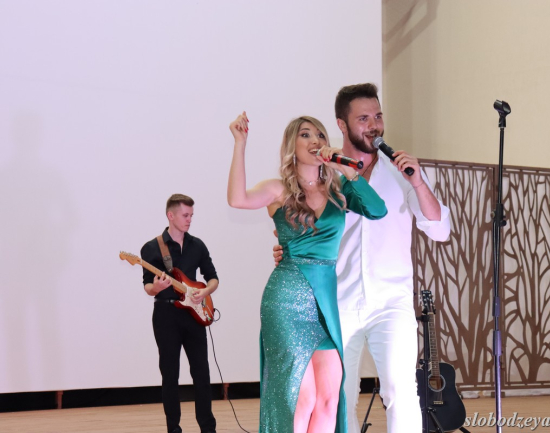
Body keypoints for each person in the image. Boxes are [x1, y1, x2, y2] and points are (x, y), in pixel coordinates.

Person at [274, 83, 451, 432]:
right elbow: (303, 231)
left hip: (392, 302)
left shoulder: (403, 172)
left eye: (378, 116)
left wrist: (418, 183)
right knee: (339, 396)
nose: (374, 126)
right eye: (364, 119)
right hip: (337, 300)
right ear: (342, 125)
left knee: (401, 392)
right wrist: (289, 252)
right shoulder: (325, 175)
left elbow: (440, 230)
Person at [227, 112, 387, 433]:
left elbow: (378, 210)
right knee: (302, 398)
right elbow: (237, 199)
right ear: (292, 145)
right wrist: (240, 143)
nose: (315, 140)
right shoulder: (278, 189)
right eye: (305, 135)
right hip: (287, 299)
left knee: (329, 398)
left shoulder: (339, 190)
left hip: (325, 302)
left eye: (320, 135)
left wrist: (349, 172)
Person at [141, 194, 219, 433]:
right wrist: (157, 287)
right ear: (170, 215)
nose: (189, 220)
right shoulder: (151, 248)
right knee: (170, 374)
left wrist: (204, 291)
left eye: (191, 215)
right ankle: (173, 429)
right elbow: (148, 287)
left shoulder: (198, 245)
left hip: (194, 315)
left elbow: (213, 278)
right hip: (166, 315)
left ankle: (208, 428)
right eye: (185, 215)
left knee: (202, 373)